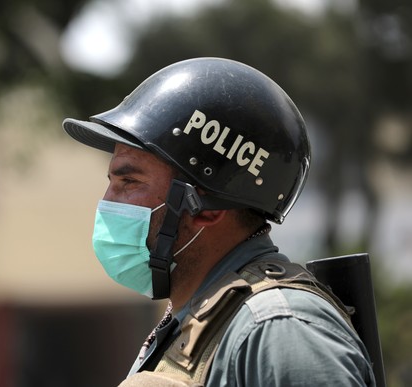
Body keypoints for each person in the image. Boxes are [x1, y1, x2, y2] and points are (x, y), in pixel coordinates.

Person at [62, 57, 375, 386]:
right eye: (112, 181)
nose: (108, 201)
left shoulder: (280, 330)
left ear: (208, 209)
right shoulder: (199, 323)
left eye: (129, 182)